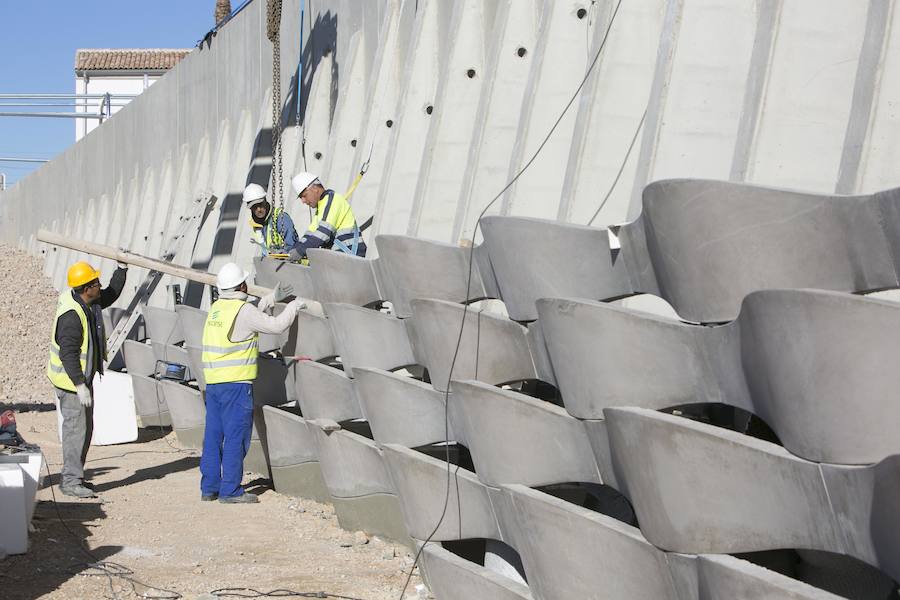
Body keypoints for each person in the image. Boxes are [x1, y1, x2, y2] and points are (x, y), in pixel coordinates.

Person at [200, 262, 304, 503]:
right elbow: (275, 325)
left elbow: (244, 321)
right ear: (242, 285)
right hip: (236, 385)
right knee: (237, 436)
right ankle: (231, 491)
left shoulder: (217, 308)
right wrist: (293, 306)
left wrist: (269, 299)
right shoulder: (244, 311)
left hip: (214, 384)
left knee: (214, 436)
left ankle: (210, 488)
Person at [46, 260, 127, 498]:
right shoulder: (72, 316)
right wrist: (80, 385)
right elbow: (68, 354)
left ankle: (75, 477)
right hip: (70, 383)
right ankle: (71, 481)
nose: (99, 286)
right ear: (85, 288)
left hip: (80, 380)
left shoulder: (86, 301)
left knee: (84, 429)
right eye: (95, 283)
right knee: (76, 431)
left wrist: (121, 271)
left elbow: (110, 295)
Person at [288, 172, 368, 261]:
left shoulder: (332, 200)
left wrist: (299, 251)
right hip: (342, 258)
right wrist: (291, 250)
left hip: (351, 257)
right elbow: (309, 235)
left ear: (315, 188)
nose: (303, 201)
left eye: (304, 196)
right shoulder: (321, 207)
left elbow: (323, 234)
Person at [243, 183, 302, 257]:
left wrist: (282, 253)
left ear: (265, 200)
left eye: (260, 204)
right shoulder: (257, 225)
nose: (258, 209)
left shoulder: (280, 218)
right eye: (254, 206)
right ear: (250, 208)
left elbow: (293, 246)